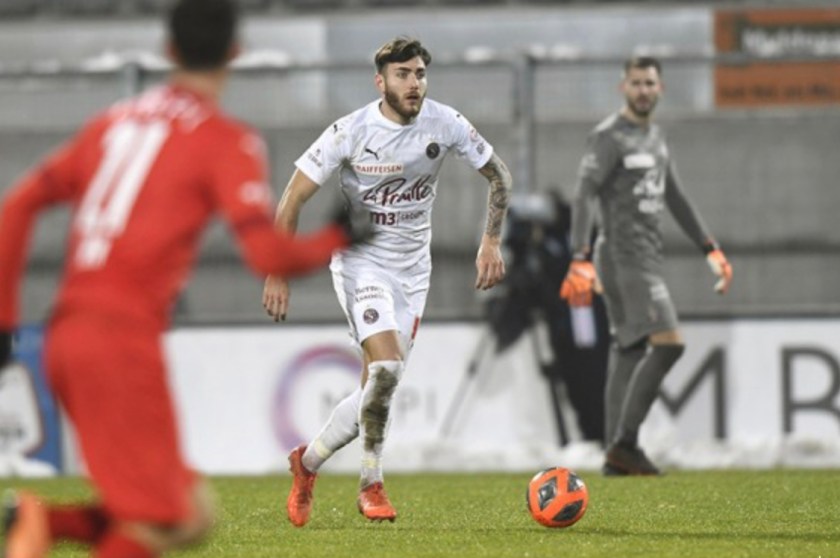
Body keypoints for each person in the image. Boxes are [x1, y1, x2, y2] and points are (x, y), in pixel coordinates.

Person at [0, 1, 368, 557]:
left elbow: (17, 205)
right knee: (157, 521)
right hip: (119, 343)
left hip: (66, 336)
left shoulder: (112, 124)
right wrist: (337, 237)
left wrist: (5, 320)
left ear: (168, 50)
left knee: (192, 514)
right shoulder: (225, 141)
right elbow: (268, 253)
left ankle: (38, 523)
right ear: (235, 53)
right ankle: (36, 528)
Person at [262, 37, 512, 525]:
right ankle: (371, 485)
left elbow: (499, 174)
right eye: (403, 74)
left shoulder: (446, 123)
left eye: (419, 73)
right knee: (388, 369)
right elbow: (292, 198)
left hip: (413, 273)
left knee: (376, 390)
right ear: (381, 82)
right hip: (362, 265)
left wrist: (491, 241)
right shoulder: (351, 131)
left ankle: (306, 463)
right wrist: (278, 270)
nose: (414, 83)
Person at [559, 56, 733, 476]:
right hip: (623, 258)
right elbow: (583, 195)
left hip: (645, 256)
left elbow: (676, 197)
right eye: (635, 83)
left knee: (630, 349)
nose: (642, 90)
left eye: (649, 83)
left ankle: (614, 455)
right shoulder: (608, 136)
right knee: (670, 344)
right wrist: (580, 256)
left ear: (660, 89)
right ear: (623, 87)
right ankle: (625, 444)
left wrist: (709, 247)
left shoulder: (656, 136)